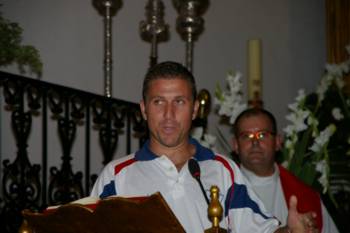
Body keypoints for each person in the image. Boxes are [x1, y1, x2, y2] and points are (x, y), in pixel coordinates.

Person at [91, 61, 317, 233]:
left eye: (179, 102)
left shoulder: (222, 170)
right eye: (158, 102)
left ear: (195, 110)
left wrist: (290, 230)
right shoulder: (115, 177)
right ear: (143, 109)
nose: (168, 115)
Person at [232, 108, 339, 233]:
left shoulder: (306, 196)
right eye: (246, 136)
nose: (255, 142)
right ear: (235, 145)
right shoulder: (223, 191)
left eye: (262, 134)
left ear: (277, 142)